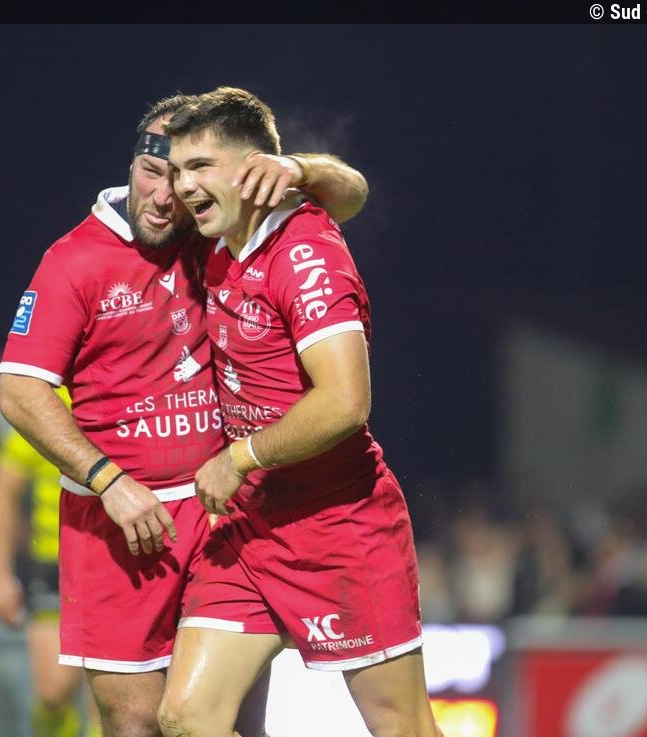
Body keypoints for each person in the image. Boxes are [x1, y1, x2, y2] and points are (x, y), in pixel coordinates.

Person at [0, 93, 369, 737]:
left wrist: (298, 168)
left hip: (223, 513)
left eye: (180, 176)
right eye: (153, 172)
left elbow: (350, 194)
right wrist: (110, 483)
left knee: (233, 718)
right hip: (118, 527)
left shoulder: (213, 231)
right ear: (131, 166)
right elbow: (20, 391)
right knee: (136, 722)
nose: (164, 195)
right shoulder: (73, 260)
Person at [159, 87, 438, 737]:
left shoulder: (304, 251)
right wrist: (306, 169)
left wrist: (239, 457)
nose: (183, 184)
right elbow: (351, 189)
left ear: (252, 168)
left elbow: (345, 402)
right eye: (177, 169)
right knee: (187, 718)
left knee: (402, 727)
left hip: (339, 525)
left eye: (199, 165)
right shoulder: (218, 236)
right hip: (249, 526)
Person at [0, 386, 101, 737]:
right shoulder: (45, 403)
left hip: (115, 559)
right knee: (53, 692)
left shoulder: (122, 396)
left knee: (109, 692)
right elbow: (2, 494)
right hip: (53, 564)